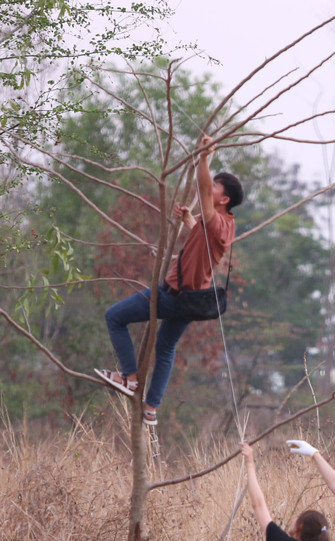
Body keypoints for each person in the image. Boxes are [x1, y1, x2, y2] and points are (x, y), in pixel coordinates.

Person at [95, 132, 244, 426]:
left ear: (224, 199)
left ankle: (130, 377)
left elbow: (202, 189)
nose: (210, 188)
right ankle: (151, 408)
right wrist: (189, 220)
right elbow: (202, 239)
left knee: (114, 317)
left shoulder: (217, 220)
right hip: (191, 301)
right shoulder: (223, 225)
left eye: (216, 187)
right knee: (165, 348)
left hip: (174, 296)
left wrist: (203, 157)